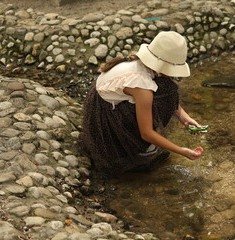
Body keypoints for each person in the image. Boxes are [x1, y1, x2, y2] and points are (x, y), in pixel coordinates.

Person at [78, 31, 204, 174]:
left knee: (168, 88)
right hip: (106, 113)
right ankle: (136, 147)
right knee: (162, 95)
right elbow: (147, 133)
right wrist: (181, 151)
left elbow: (171, 99)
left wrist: (184, 118)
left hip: (107, 97)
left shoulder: (139, 63)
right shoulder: (142, 86)